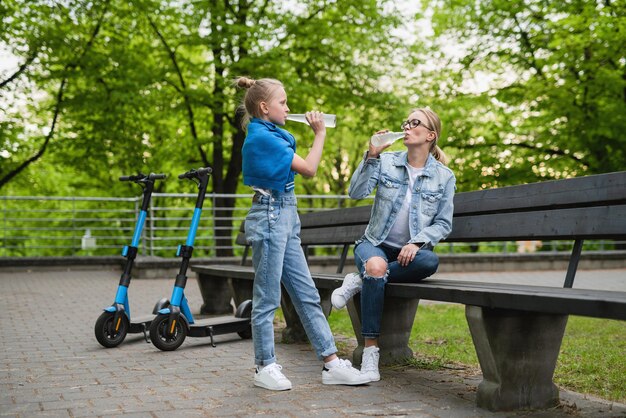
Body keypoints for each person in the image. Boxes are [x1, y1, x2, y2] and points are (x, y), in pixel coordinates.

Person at [237, 76, 371, 391]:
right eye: (283, 102)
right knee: (267, 298)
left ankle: (332, 364)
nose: (288, 107)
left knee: (308, 295)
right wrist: (320, 133)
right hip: (270, 217)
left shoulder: (272, 133)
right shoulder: (262, 137)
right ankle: (264, 365)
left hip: (284, 216)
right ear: (264, 107)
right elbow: (309, 168)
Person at [331, 108, 456, 382]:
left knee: (429, 261)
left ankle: (360, 280)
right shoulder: (386, 162)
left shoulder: (444, 177)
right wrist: (372, 156)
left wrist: (418, 242)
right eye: (407, 122)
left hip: (410, 254)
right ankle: (371, 353)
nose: (407, 126)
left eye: (415, 123)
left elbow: (443, 224)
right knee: (375, 265)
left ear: (430, 135)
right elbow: (355, 193)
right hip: (374, 244)